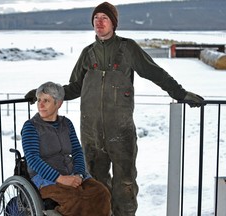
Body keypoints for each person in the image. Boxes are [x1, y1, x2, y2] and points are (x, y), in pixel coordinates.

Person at [25, 2, 204, 215]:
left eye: (104, 18)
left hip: (121, 132)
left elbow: (155, 73)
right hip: (91, 133)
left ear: (113, 23)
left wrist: (180, 93)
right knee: (96, 186)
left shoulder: (128, 49)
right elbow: (74, 88)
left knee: (125, 185)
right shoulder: (87, 54)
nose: (99, 22)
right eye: (96, 18)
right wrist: (42, 93)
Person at [21, 81, 111, 216]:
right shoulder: (31, 126)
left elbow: (77, 151)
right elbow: (33, 159)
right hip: (45, 178)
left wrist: (79, 174)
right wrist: (61, 179)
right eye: (39, 100)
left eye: (46, 101)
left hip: (71, 172)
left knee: (101, 193)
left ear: (58, 103)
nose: (40, 105)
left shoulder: (66, 124)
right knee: (77, 200)